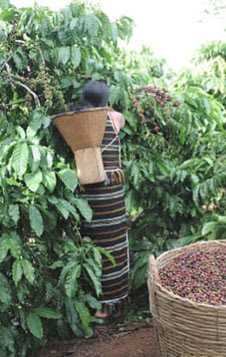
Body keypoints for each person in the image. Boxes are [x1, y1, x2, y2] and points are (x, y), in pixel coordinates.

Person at [78, 80, 129, 320]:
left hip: (90, 192)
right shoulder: (115, 118)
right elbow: (114, 114)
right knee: (114, 244)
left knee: (94, 244)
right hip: (112, 194)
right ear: (106, 100)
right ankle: (113, 303)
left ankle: (96, 302)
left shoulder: (76, 122)